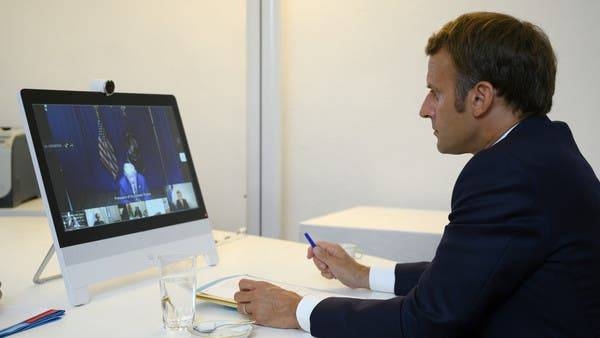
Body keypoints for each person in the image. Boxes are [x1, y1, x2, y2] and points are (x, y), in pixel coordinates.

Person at [233, 12, 600, 337]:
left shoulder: (507, 173)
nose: (424, 110)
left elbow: (425, 322)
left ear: (479, 98)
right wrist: (363, 275)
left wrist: (297, 309)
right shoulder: (544, 149)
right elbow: (464, 274)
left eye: (435, 93)